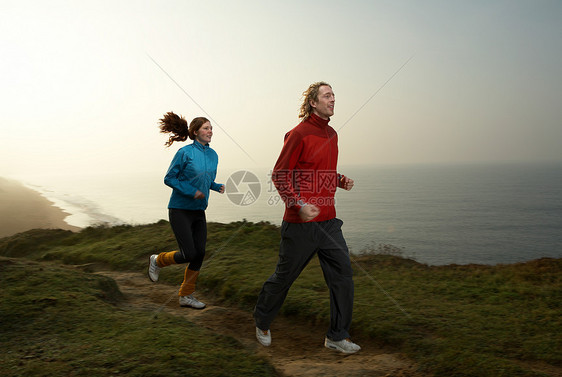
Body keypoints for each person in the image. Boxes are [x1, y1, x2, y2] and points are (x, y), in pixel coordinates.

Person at [253, 82, 360, 353]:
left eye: (334, 94)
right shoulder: (298, 134)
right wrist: (298, 204)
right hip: (300, 224)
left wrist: (339, 180)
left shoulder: (333, 134)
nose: (333, 99)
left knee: (343, 275)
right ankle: (262, 321)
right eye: (327, 95)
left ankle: (337, 335)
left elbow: (320, 171)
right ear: (313, 102)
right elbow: (280, 174)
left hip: (329, 222)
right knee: (284, 277)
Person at [148, 112, 224, 309]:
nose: (210, 131)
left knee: (199, 254)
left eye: (211, 128)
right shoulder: (184, 153)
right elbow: (170, 178)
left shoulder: (214, 155)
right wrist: (192, 192)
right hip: (180, 209)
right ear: (195, 131)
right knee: (189, 253)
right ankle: (158, 260)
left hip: (199, 210)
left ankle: (186, 296)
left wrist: (215, 186)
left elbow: (205, 179)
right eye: (206, 128)